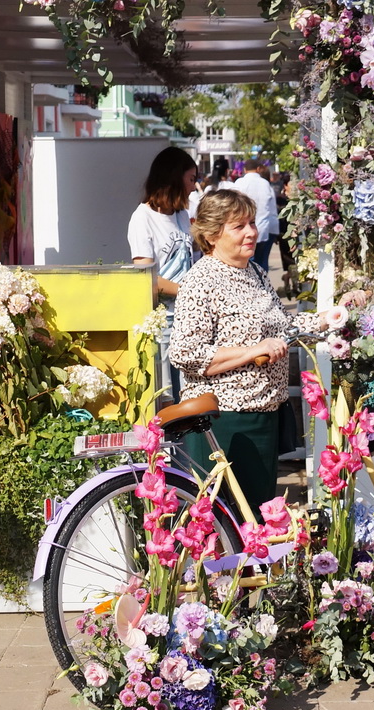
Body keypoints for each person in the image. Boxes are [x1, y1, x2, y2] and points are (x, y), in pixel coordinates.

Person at [169, 189, 327, 511]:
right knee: (227, 523)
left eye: (252, 223)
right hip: (225, 421)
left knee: (257, 519)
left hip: (264, 416)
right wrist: (251, 350)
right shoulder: (202, 280)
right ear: (212, 235)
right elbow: (185, 353)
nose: (252, 232)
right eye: (239, 226)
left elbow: (282, 329)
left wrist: (324, 321)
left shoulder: (253, 272)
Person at [128, 147, 198, 399]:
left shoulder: (181, 215)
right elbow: (147, 280)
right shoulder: (142, 219)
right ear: (174, 178)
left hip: (190, 320)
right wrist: (191, 292)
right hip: (165, 325)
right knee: (169, 397)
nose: (194, 187)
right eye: (191, 179)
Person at [233, 158, 279, 270]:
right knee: (262, 262)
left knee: (246, 264)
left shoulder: (239, 183)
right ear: (258, 169)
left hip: (244, 230)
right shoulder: (265, 184)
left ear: (244, 169)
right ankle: (263, 286)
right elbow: (272, 208)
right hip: (264, 228)